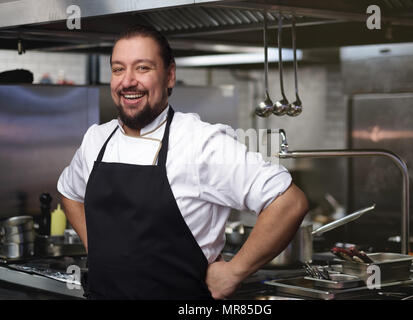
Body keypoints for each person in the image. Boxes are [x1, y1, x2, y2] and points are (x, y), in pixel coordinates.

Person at [57, 25, 309, 300]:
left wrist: (234, 271)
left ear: (170, 76)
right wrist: (97, 250)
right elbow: (70, 193)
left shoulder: (200, 143)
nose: (127, 81)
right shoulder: (96, 139)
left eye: (142, 68)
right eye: (118, 69)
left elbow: (288, 202)